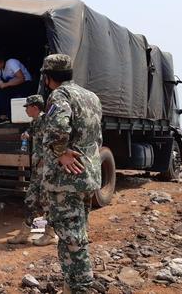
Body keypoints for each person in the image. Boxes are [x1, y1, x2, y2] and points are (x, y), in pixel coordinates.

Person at [41, 54, 102, 293]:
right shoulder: (91, 97)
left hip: (66, 179)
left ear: (48, 77)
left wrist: (60, 153)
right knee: (78, 232)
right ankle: (71, 286)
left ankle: (82, 287)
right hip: (87, 174)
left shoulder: (60, 95)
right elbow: (96, 136)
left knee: (71, 238)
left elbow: (58, 128)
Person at [7, 95, 57, 246]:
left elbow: (53, 141)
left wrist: (44, 158)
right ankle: (25, 233)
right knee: (30, 200)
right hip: (37, 169)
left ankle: (49, 233)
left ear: (35, 107)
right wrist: (27, 134)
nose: (26, 110)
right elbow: (32, 131)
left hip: (46, 168)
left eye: (27, 107)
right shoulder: (36, 121)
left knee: (46, 200)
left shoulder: (46, 120)